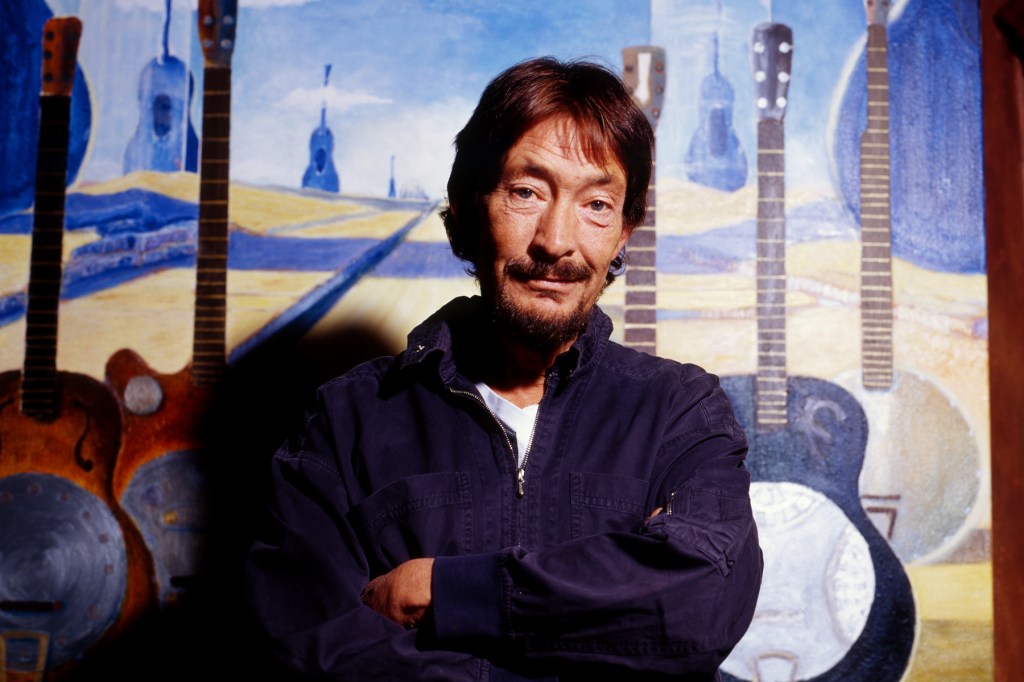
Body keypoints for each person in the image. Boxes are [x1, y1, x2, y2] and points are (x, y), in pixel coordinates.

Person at [243, 56, 762, 681]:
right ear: (467, 208)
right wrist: (612, 610)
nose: (556, 241)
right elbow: (308, 648)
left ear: (624, 232)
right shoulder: (344, 420)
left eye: (597, 204)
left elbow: (703, 601)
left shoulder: (680, 412)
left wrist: (448, 591)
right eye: (526, 193)